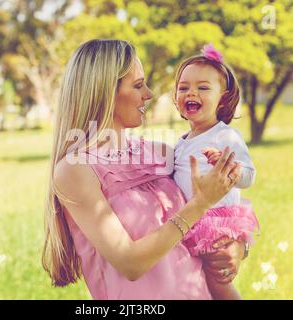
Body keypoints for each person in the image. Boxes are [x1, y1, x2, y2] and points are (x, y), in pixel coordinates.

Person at [42, 39, 247, 300]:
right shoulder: (75, 170)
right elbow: (130, 263)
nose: (148, 94)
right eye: (138, 85)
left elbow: (222, 203)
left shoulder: (162, 153)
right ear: (104, 92)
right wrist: (200, 204)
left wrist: (238, 246)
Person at [172, 44, 259, 299]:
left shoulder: (225, 135)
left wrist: (229, 167)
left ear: (223, 97)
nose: (192, 93)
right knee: (195, 283)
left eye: (203, 87)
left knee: (217, 281)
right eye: (184, 87)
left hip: (214, 221)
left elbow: (249, 177)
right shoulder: (182, 141)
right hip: (190, 219)